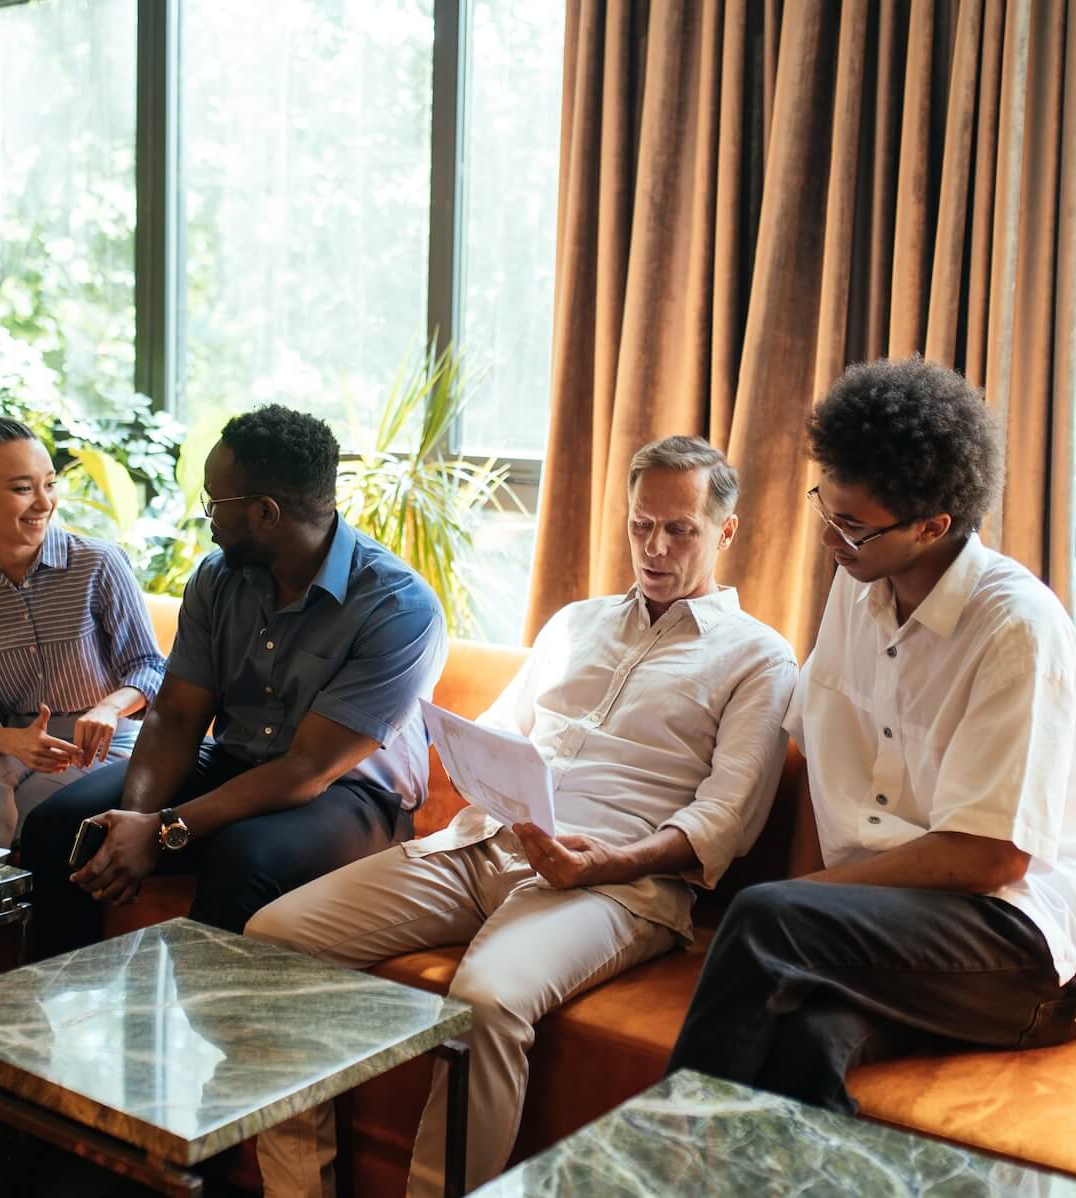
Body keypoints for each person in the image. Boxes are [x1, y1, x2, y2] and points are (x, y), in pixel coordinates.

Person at [246, 436, 798, 1197]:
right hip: (481, 843)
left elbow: (725, 820)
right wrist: (468, 756)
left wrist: (605, 862)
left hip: (615, 884)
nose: (655, 547)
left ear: (725, 531)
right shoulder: (575, 623)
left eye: (680, 530)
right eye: (641, 525)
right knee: (272, 940)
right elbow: (499, 730)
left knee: (485, 1003)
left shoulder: (759, 658)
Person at [666, 357, 1076, 1114]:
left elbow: (991, 857)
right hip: (898, 930)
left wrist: (795, 904)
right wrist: (809, 909)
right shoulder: (857, 589)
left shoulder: (1017, 628)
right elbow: (825, 771)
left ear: (932, 526)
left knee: (759, 915)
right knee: (803, 1042)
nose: (831, 538)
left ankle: (656, 1158)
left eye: (853, 526)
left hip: (1028, 948)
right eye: (827, 509)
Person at [22, 404, 448, 960]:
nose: (208, 518)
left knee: (244, 857)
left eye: (215, 502)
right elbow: (177, 715)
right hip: (234, 763)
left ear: (265, 513)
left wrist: (163, 830)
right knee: (59, 826)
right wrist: (135, 821)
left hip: (351, 797)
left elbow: (307, 769)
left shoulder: (399, 608)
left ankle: (199, 1019)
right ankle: (57, 1005)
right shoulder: (216, 579)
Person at [0, 416, 167, 991]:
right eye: (22, 488)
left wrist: (108, 707)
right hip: (14, 746)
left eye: (49, 484)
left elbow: (150, 667)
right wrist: (15, 741)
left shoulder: (98, 563)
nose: (43, 502)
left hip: (107, 751)